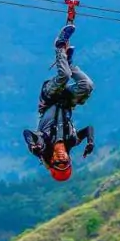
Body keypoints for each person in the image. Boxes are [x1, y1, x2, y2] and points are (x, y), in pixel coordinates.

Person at [23, 16, 95, 181]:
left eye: (58, 162)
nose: (62, 158)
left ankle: (60, 45)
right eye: (65, 162)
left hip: (48, 99)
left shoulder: (44, 143)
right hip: (66, 102)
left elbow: (27, 133)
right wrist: (90, 142)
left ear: (52, 160)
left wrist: (33, 147)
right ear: (69, 159)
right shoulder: (71, 141)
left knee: (64, 76)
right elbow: (89, 128)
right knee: (87, 85)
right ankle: (68, 63)